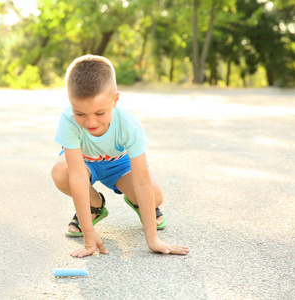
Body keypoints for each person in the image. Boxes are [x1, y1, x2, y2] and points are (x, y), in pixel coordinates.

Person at [51, 55, 190, 258]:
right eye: (80, 113)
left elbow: (142, 181)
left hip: (119, 165)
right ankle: (95, 206)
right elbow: (78, 177)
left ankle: (140, 205)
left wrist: (152, 239)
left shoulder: (129, 125)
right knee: (60, 172)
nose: (90, 122)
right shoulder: (68, 119)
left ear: (115, 100)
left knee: (153, 195)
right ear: (70, 102)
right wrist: (88, 234)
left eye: (100, 113)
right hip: (84, 164)